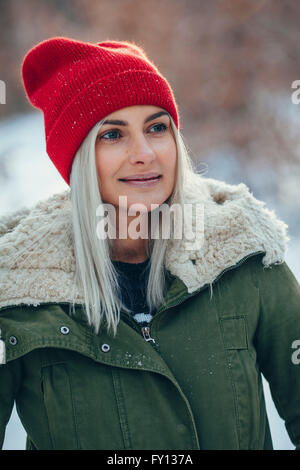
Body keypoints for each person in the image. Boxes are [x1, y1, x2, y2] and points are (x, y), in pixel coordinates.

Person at [0, 36, 299, 451]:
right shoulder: (19, 291)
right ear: (79, 159)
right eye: (113, 134)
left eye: (157, 127)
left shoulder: (243, 254)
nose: (144, 153)